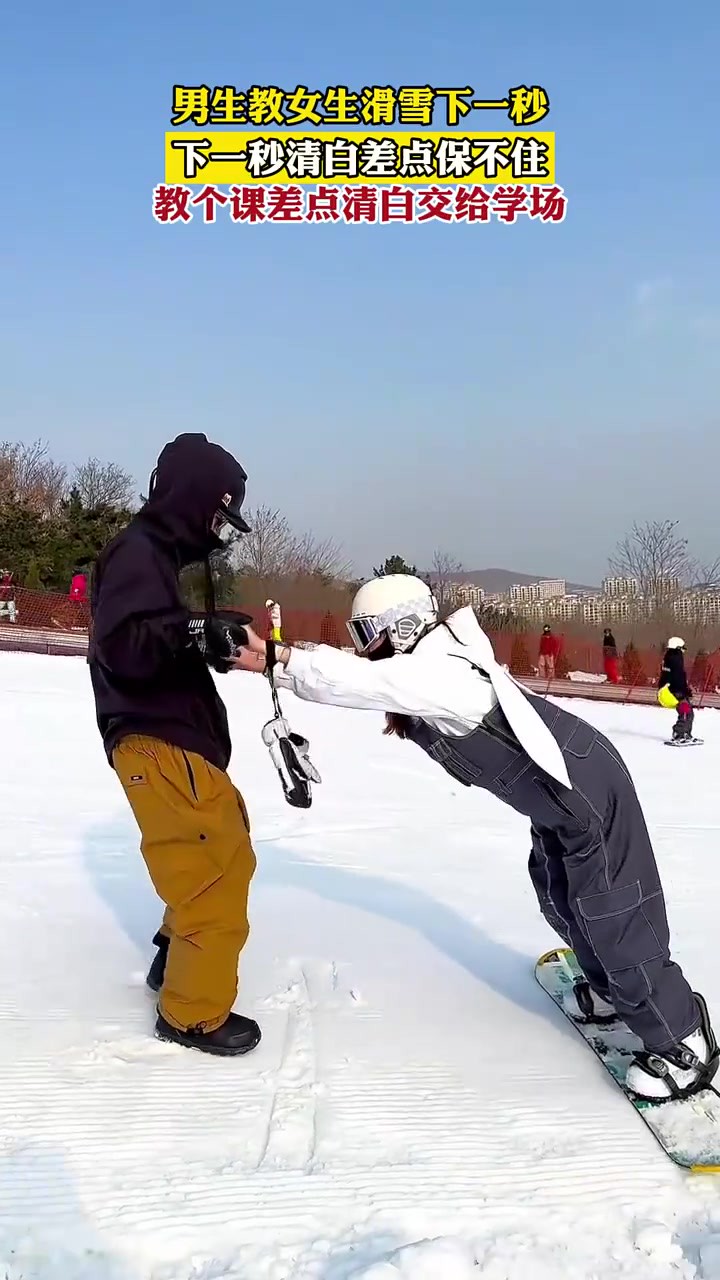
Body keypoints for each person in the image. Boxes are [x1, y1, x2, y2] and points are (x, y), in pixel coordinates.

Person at [233, 574, 717, 1101]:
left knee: (612, 913)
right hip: (559, 803)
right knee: (560, 895)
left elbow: (359, 682)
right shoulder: (429, 669)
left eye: (368, 632)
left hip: (587, 793)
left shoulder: (441, 674)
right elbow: (366, 679)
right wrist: (274, 662)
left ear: (403, 626)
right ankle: (611, 993)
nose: (363, 647)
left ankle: (682, 1036)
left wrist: (276, 659)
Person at [88, 432, 261, 1058]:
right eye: (220, 517)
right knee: (215, 877)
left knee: (218, 857)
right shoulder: (138, 552)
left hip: (174, 746)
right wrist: (193, 631)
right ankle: (192, 1013)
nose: (221, 533)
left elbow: (153, 636)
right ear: (191, 501)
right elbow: (126, 644)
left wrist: (204, 635)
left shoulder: (153, 558)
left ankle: (174, 960)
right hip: (159, 744)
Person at [658, 636, 694, 742]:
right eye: (682, 648)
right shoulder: (676, 658)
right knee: (686, 711)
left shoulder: (668, 657)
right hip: (676, 690)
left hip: (670, 689)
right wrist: (684, 691)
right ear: (678, 647)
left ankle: (685, 733)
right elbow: (678, 677)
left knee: (687, 712)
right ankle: (679, 733)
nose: (683, 650)